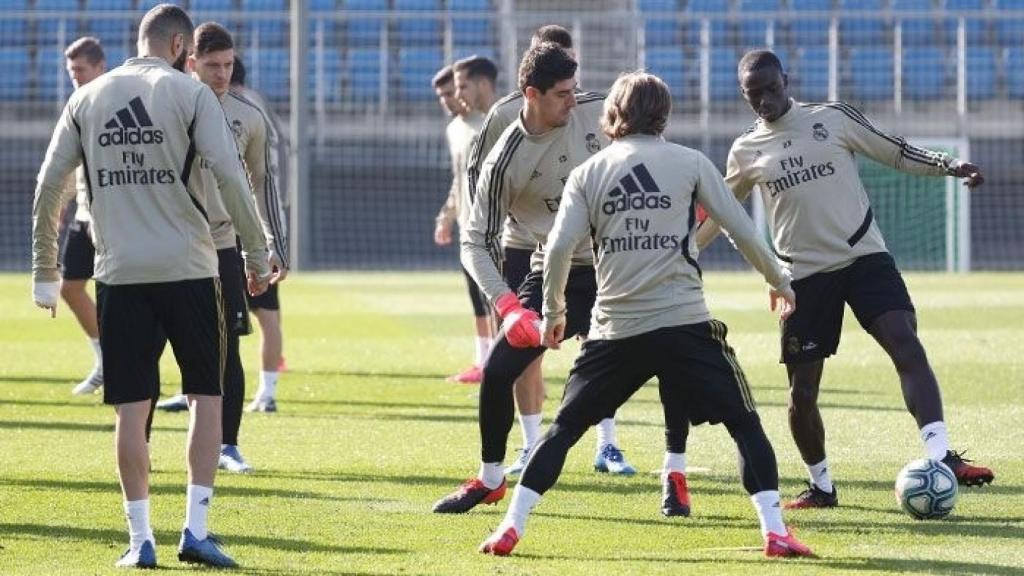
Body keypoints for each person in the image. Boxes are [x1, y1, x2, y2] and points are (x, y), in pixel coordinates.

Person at [478, 71, 814, 559]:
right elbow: (740, 228)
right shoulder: (689, 162)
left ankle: (512, 526)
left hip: (615, 328)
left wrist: (553, 310)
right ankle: (775, 532)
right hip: (683, 322)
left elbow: (555, 252)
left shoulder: (588, 173)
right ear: (665, 114)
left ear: (613, 113)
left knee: (565, 431)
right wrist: (781, 281)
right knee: (744, 424)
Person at [31, 4, 274, 568]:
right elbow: (232, 177)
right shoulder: (191, 95)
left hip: (118, 275)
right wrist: (256, 253)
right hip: (190, 269)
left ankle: (140, 540)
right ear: (181, 48)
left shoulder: (86, 98)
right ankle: (196, 530)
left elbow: (49, 186)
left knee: (129, 410)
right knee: (205, 399)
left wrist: (45, 270)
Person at [696, 49, 994, 510]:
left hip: (863, 257)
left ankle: (941, 457)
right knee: (802, 394)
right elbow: (721, 211)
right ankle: (822, 488)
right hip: (803, 276)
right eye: (754, 94)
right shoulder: (746, 151)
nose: (765, 100)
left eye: (772, 89)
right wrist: (683, 253)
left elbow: (892, 149)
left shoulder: (831, 118)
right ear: (744, 95)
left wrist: (948, 165)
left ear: (786, 81)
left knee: (906, 344)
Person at [433, 42, 644, 516]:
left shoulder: (597, 112)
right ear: (532, 94)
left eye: (575, 90)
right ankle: (490, 478)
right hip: (556, 274)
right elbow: (475, 241)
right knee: (499, 371)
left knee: (680, 362)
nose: (575, 100)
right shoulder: (505, 158)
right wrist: (508, 306)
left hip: (624, 266)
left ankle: (673, 471)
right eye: (562, 94)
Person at [153, 23, 288, 475]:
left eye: (228, 64)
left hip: (224, 244)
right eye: (212, 65)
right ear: (190, 62)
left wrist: (274, 246)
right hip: (170, 242)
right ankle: (141, 440)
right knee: (151, 344)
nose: (222, 73)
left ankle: (228, 445)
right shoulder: (166, 107)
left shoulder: (249, 117)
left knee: (229, 344)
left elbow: (263, 184)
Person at [230, 56, 291, 412]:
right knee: (267, 314)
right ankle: (267, 392)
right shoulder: (259, 108)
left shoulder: (237, 110)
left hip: (241, 226)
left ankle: (216, 389)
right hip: (265, 224)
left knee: (223, 315)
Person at [432, 60, 495, 384]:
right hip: (466, 227)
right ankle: (482, 361)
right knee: (476, 299)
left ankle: (497, 363)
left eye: (452, 91)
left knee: (493, 298)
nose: (448, 99)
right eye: (443, 95)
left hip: (490, 229)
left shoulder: (487, 122)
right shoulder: (454, 129)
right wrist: (447, 216)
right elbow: (460, 179)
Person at [58, 37, 107, 395]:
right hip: (84, 212)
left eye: (80, 70)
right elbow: (70, 160)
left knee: (116, 294)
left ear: (99, 67)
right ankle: (105, 359)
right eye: (71, 71)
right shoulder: (76, 103)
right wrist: (61, 202)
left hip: (111, 216)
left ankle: (122, 362)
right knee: (70, 287)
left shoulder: (110, 100)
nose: (75, 77)